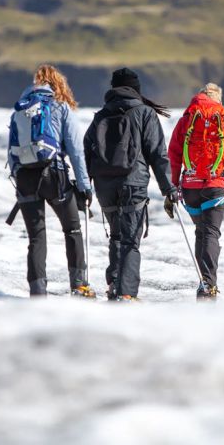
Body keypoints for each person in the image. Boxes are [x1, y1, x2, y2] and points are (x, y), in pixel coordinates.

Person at [84, 68, 178, 301]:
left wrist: (85, 185)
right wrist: (169, 188)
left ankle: (114, 284)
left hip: (104, 186)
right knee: (130, 240)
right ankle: (126, 293)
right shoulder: (144, 113)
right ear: (135, 89)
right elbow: (157, 153)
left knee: (116, 236)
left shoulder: (100, 116)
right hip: (133, 183)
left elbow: (85, 151)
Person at [7, 64, 95, 298]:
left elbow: (11, 153)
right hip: (54, 175)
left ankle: (38, 292)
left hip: (26, 177)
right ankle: (79, 286)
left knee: (36, 236)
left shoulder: (18, 110)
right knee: (72, 229)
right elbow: (76, 151)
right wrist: (85, 186)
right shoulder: (60, 106)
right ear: (58, 85)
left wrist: (19, 179)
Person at [167, 83, 224, 299]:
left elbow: (173, 155)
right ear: (218, 100)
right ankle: (208, 284)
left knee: (201, 232)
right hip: (216, 187)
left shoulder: (186, 120)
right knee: (210, 233)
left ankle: (204, 281)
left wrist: (172, 186)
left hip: (189, 187)